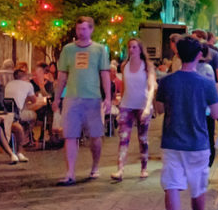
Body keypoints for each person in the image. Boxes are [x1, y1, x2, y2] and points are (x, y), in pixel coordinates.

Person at [155, 36, 218, 210]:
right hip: (198, 141)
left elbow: (159, 109)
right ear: (200, 56)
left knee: (172, 185)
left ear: (177, 54)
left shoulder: (166, 82)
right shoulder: (207, 84)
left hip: (172, 140)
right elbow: (216, 114)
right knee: (198, 186)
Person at [53, 16, 113, 185]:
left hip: (93, 98)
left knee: (95, 136)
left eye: (84, 29)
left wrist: (108, 97)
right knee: (70, 136)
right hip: (72, 98)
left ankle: (95, 166)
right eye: (79, 29)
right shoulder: (68, 50)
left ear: (91, 29)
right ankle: (70, 172)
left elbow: (105, 74)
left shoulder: (99, 50)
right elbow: (62, 75)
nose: (81, 32)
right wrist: (57, 97)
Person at [112, 37, 156, 182]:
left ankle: (144, 167)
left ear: (140, 49)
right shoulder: (125, 66)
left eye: (135, 47)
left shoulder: (147, 66)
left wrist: (148, 107)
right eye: (130, 47)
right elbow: (124, 86)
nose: (132, 50)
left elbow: (151, 87)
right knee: (123, 137)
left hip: (142, 105)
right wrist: (119, 106)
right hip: (127, 105)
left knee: (143, 138)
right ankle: (120, 169)